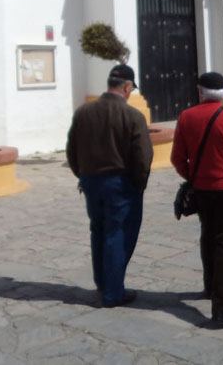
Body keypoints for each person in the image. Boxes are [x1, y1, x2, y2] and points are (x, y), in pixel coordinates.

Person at [171, 71, 223, 329]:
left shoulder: (186, 117)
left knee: (209, 237)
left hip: (203, 191)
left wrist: (195, 177)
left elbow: (177, 158)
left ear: (200, 92)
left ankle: (210, 287)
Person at [66, 63, 152, 308]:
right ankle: (113, 292)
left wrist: (82, 176)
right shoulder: (133, 116)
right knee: (118, 235)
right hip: (120, 183)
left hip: (92, 182)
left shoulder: (83, 112)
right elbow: (142, 156)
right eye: (131, 89)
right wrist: (139, 184)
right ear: (126, 87)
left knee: (99, 231)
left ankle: (103, 282)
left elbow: (71, 150)